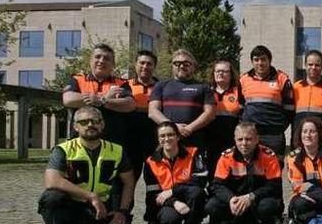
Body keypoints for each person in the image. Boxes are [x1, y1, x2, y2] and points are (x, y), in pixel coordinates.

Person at [38, 106, 134, 224]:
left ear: (102, 124)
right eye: (84, 122)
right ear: (76, 126)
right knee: (51, 198)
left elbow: (129, 182)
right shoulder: (63, 150)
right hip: (71, 206)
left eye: (95, 121)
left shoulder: (116, 150)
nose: (90, 125)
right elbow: (51, 180)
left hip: (100, 209)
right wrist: (90, 195)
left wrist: (122, 211)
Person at [206, 122, 283, 224]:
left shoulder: (268, 156)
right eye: (240, 139)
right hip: (236, 201)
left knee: (269, 206)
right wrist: (231, 199)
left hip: (257, 200)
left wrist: (251, 197)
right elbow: (217, 185)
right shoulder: (226, 157)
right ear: (234, 140)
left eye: (248, 139)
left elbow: (274, 186)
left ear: (256, 139)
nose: (244, 143)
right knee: (211, 205)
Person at [142, 122, 208, 224]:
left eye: (171, 135)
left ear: (178, 137)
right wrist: (174, 202)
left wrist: (173, 191)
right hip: (167, 202)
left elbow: (200, 181)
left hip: (190, 198)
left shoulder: (193, 153)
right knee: (170, 220)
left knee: (197, 192)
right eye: (162, 136)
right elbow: (153, 195)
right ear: (158, 139)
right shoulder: (151, 162)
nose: (166, 139)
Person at [62, 43, 135, 146]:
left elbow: (130, 105)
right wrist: (105, 98)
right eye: (97, 57)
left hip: (113, 144)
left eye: (106, 58)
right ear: (90, 60)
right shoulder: (77, 79)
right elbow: (68, 100)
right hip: (81, 145)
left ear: (113, 63)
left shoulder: (122, 83)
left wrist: (101, 101)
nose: (101, 61)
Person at [148, 49, 215, 149]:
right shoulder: (161, 85)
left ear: (193, 66)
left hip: (194, 140)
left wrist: (189, 128)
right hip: (167, 142)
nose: (181, 66)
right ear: (172, 66)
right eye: (177, 63)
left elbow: (210, 114)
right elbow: (153, 112)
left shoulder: (203, 87)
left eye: (186, 63)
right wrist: (173, 127)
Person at [240, 45, 294, 161]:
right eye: (256, 60)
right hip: (250, 134)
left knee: (274, 170)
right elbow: (239, 106)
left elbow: (290, 109)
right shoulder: (244, 79)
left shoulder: (282, 79)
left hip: (274, 135)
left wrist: (279, 127)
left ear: (269, 60)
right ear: (252, 62)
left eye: (263, 59)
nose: (260, 63)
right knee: (249, 170)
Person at [124, 50, 160, 181]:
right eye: (142, 63)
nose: (145, 66)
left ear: (154, 67)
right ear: (135, 65)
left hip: (154, 142)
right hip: (131, 142)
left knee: (155, 180)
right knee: (129, 181)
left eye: (149, 64)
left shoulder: (161, 87)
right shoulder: (125, 86)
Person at [207, 59, 243, 174]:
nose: (220, 74)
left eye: (224, 71)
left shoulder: (239, 92)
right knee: (212, 173)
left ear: (231, 74)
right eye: (217, 71)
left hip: (231, 142)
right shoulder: (207, 92)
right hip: (210, 142)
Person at [292, 50, 322, 138]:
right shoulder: (295, 87)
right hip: (299, 139)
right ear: (305, 66)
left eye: (317, 65)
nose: (313, 67)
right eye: (310, 64)